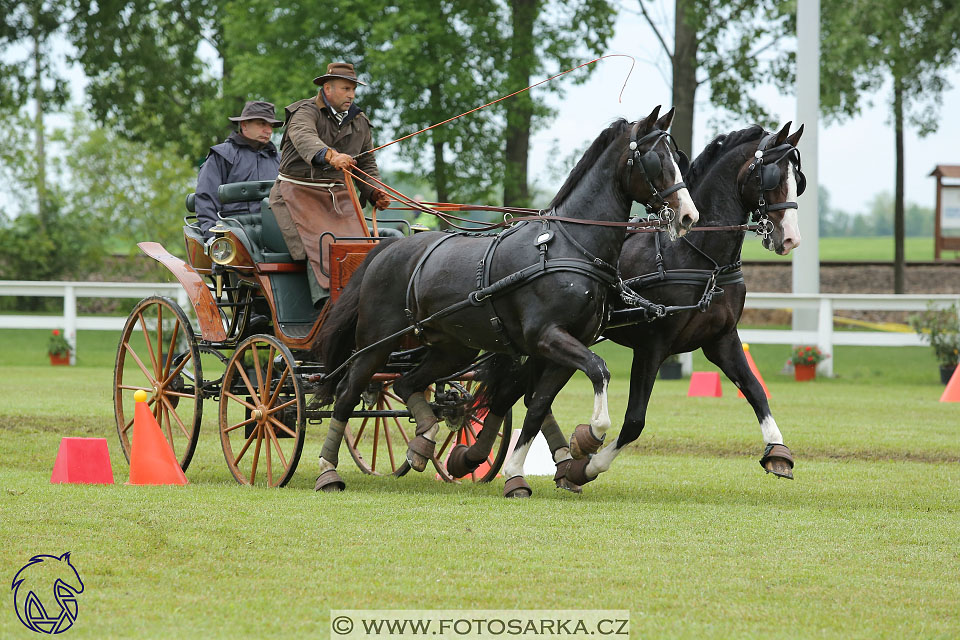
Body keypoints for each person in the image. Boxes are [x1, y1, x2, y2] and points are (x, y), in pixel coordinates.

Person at [269, 62, 390, 307]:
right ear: (328, 88)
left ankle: (366, 300)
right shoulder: (304, 112)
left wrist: (375, 190)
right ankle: (327, 306)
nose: (351, 95)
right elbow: (305, 137)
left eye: (353, 89)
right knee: (323, 245)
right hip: (296, 193)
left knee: (359, 246)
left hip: (340, 197)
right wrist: (331, 155)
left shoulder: (360, 122)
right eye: (346, 88)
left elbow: (366, 164)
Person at [195, 100, 282, 238]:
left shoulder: (280, 161)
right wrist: (214, 238)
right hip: (232, 234)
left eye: (271, 125)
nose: (269, 130)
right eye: (262, 124)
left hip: (277, 235)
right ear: (244, 125)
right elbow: (206, 199)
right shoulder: (222, 156)